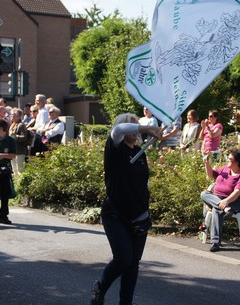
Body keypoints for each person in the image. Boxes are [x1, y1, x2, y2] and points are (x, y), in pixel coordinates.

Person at [90, 113, 161, 305]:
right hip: (115, 215)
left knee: (133, 264)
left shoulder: (140, 153)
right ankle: (100, 287)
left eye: (137, 125)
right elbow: (118, 131)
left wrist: (145, 213)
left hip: (138, 216)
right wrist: (146, 128)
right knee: (123, 259)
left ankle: (125, 302)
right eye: (133, 125)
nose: (136, 129)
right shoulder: (115, 148)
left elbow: (143, 184)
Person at [201, 148, 240, 252]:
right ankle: (223, 208)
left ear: (238, 162)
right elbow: (211, 175)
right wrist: (207, 162)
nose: (227, 160)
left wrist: (226, 201)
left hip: (233, 202)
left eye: (230, 159)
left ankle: (215, 242)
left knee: (217, 210)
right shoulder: (225, 169)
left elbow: (238, 192)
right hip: (217, 200)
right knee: (204, 194)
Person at [9, 108, 28, 174]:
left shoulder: (21, 125)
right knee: (14, 170)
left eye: (14, 115)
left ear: (19, 116)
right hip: (13, 151)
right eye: (11, 115)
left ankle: (21, 183)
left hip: (20, 150)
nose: (12, 116)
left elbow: (24, 137)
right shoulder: (12, 125)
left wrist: (15, 136)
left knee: (20, 169)